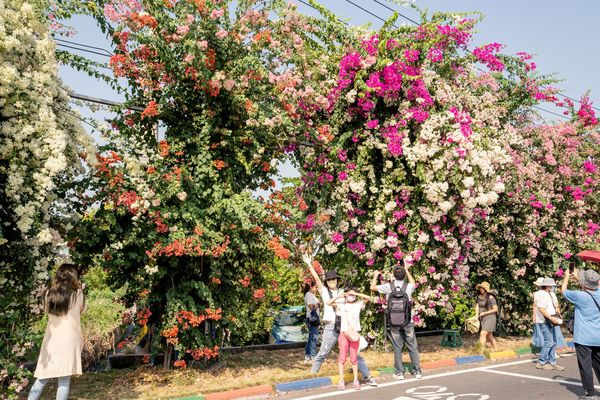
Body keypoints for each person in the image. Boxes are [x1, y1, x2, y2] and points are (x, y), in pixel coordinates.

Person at [303, 254, 378, 387]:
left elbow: (358, 299)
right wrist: (310, 265)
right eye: (329, 280)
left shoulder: (344, 291)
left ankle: (367, 376)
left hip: (346, 328)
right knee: (323, 351)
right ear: (326, 282)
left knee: (355, 354)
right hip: (331, 326)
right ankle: (313, 374)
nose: (332, 281)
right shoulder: (324, 291)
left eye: (334, 279)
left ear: (337, 280)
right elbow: (316, 279)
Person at [28, 264, 85, 400]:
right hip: (71, 339)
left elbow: (47, 311)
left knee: (42, 377)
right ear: (73, 276)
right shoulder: (77, 294)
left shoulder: (48, 294)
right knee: (64, 379)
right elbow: (82, 310)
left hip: (52, 339)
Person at [370, 263, 422, 380]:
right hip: (407, 320)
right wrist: (408, 270)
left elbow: (372, 287)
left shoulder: (389, 286)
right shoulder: (408, 287)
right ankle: (417, 370)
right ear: (404, 275)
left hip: (393, 321)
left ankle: (399, 372)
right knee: (412, 345)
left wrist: (376, 275)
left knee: (397, 346)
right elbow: (413, 283)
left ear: (393, 275)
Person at [561, 268, 600, 400]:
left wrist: (567, 277)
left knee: (586, 366)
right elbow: (592, 288)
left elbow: (564, 291)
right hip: (598, 337)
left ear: (584, 284)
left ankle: (590, 394)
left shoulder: (579, 295)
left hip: (583, 337)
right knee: (599, 364)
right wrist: (579, 279)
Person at [327, 287, 372, 390]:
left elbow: (369, 297)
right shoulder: (342, 305)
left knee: (354, 358)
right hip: (343, 334)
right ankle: (341, 380)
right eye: (349, 294)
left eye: (353, 295)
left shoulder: (358, 304)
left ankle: (356, 380)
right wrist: (340, 295)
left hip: (354, 335)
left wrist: (356, 293)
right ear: (346, 295)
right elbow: (328, 302)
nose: (351, 296)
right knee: (342, 358)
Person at [534, 277, 565, 371]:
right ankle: (541, 362)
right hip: (545, 320)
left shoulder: (551, 294)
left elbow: (556, 304)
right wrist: (551, 318)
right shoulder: (541, 294)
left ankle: (552, 362)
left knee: (553, 342)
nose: (553, 287)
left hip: (552, 320)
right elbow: (541, 309)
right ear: (547, 286)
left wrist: (558, 314)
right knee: (549, 342)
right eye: (552, 286)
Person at [475, 282, 498, 352]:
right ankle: (496, 349)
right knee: (489, 335)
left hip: (490, 317)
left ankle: (481, 351)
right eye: (480, 288)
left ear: (485, 289)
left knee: (483, 333)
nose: (481, 289)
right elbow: (477, 306)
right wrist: (476, 315)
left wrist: (485, 313)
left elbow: (495, 309)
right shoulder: (479, 297)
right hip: (483, 318)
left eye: (483, 288)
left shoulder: (491, 297)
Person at [303, 281, 320, 363]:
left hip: (314, 318)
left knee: (311, 337)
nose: (316, 289)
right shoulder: (308, 295)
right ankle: (313, 356)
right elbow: (311, 307)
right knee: (314, 337)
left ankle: (307, 355)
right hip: (311, 318)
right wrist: (319, 304)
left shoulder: (312, 295)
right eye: (316, 287)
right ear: (311, 287)